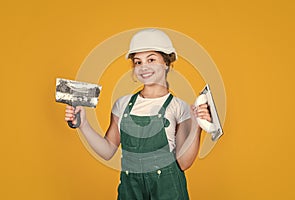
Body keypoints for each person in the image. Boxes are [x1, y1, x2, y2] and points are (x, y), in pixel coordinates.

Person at [64, 28, 211, 200]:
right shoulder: (122, 104)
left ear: (166, 62)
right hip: (130, 191)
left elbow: (184, 163)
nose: (144, 67)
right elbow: (108, 150)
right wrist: (84, 125)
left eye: (151, 59)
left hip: (168, 191)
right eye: (138, 62)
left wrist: (198, 127)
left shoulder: (180, 107)